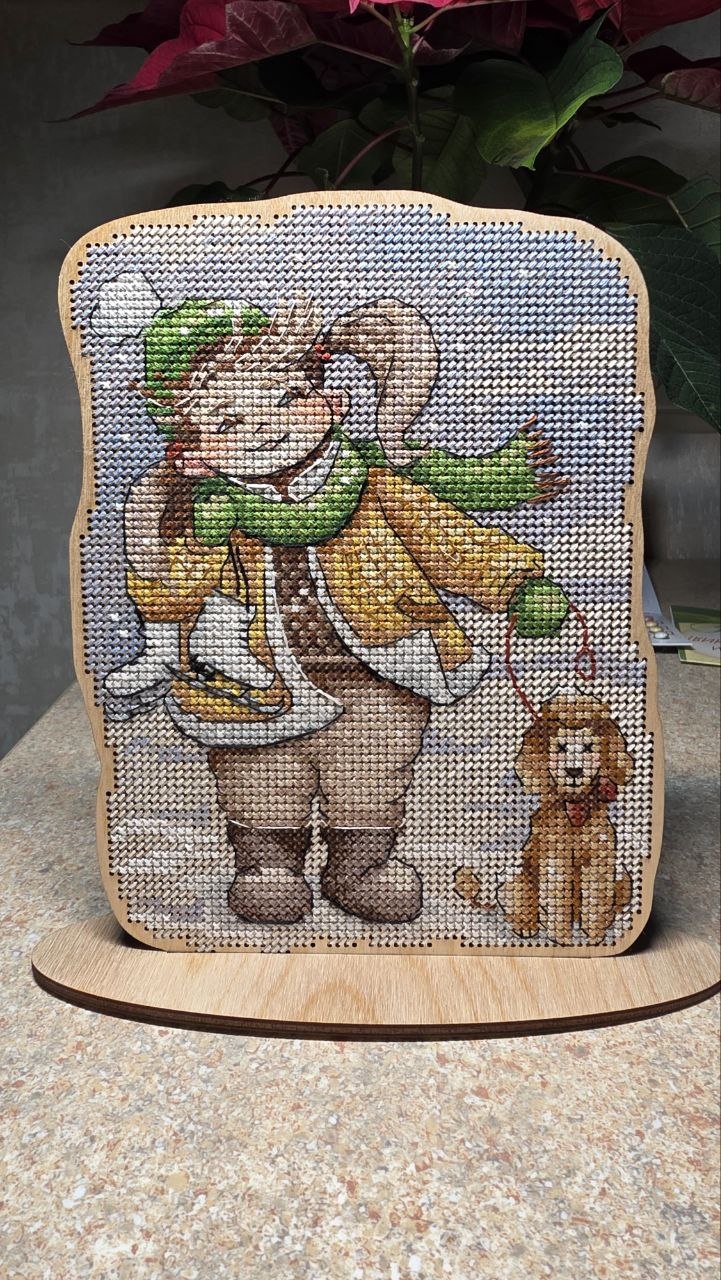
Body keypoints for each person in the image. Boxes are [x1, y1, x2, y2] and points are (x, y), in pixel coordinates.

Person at [105, 293, 570, 925]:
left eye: (287, 398)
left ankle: (360, 867)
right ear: (193, 450)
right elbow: (178, 591)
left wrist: (516, 584)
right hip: (258, 681)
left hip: (380, 668)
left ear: (330, 400)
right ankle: (267, 866)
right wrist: (163, 543)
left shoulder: (367, 483)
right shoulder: (209, 510)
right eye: (228, 422)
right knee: (259, 774)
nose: (266, 427)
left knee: (371, 772)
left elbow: (442, 536)